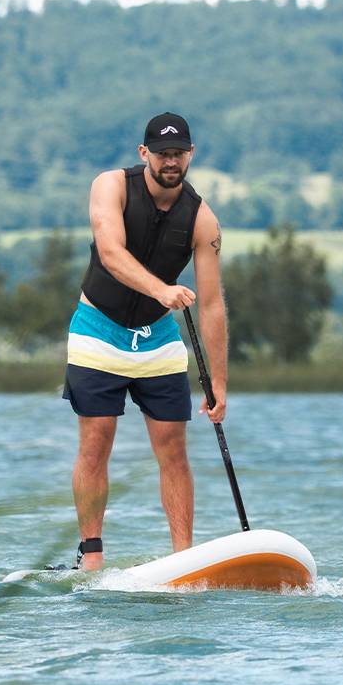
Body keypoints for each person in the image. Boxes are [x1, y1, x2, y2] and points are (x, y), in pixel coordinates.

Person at [62, 112, 227, 570]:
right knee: (97, 439)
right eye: (161, 153)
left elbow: (212, 304)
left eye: (178, 154)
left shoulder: (202, 219)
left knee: (173, 446)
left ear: (190, 155)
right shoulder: (110, 186)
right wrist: (162, 290)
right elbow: (111, 253)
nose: (170, 162)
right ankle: (91, 555)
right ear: (144, 154)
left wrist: (219, 383)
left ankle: (184, 559)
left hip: (158, 339)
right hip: (98, 329)